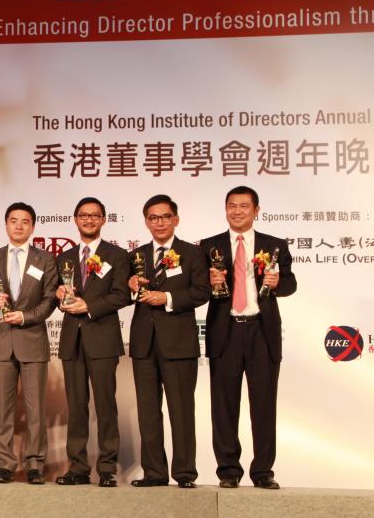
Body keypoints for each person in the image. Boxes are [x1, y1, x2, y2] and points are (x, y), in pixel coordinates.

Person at [200, 186, 296, 490]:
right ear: (225, 209)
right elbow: (195, 286)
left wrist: (278, 281)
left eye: (244, 206)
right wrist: (207, 280)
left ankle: (263, 471)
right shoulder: (208, 246)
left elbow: (291, 282)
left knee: (264, 405)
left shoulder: (274, 244)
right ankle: (228, 471)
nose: (237, 211)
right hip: (224, 330)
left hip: (261, 332)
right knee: (223, 405)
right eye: (232, 206)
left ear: (256, 210)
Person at [127, 194, 210, 488]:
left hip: (179, 343)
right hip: (143, 343)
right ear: (146, 222)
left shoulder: (193, 253)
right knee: (148, 412)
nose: (159, 222)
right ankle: (154, 472)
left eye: (164, 217)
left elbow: (202, 292)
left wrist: (168, 298)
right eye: (153, 217)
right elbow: (124, 293)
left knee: (181, 410)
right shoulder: (136, 256)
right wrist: (131, 286)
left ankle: (185, 473)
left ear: (175, 219)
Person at [54, 197, 131, 488]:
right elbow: (55, 296)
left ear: (103, 220)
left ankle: (108, 467)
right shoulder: (65, 257)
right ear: (75, 219)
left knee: (106, 405)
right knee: (76, 407)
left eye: (94, 216)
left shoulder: (118, 255)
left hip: (102, 337)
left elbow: (121, 295)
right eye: (83, 215)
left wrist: (88, 305)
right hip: (72, 340)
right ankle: (77, 467)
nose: (88, 220)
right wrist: (61, 297)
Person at [0, 202, 56, 485]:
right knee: (3, 408)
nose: (19, 226)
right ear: (6, 224)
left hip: (32, 338)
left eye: (25, 221)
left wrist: (26, 316)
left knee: (35, 408)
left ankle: (35, 463)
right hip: (1, 341)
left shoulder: (45, 259)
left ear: (33, 226)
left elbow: (50, 300)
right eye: (13, 220)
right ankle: (6, 463)